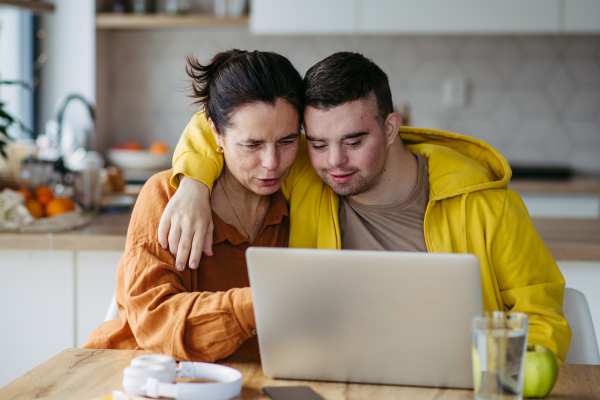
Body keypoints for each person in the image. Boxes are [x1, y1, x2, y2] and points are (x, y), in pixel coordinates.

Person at [159, 52, 572, 363]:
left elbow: (541, 313)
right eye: (318, 143)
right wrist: (194, 184)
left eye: (355, 141)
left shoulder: (485, 205)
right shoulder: (302, 170)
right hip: (335, 379)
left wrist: (499, 374)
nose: (334, 161)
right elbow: (222, 120)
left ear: (390, 129)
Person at [83, 49, 303, 362]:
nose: (272, 163)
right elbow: (154, 321)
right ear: (215, 132)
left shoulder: (304, 197)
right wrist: (258, 304)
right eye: (252, 145)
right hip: (141, 374)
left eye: (287, 141)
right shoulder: (165, 195)